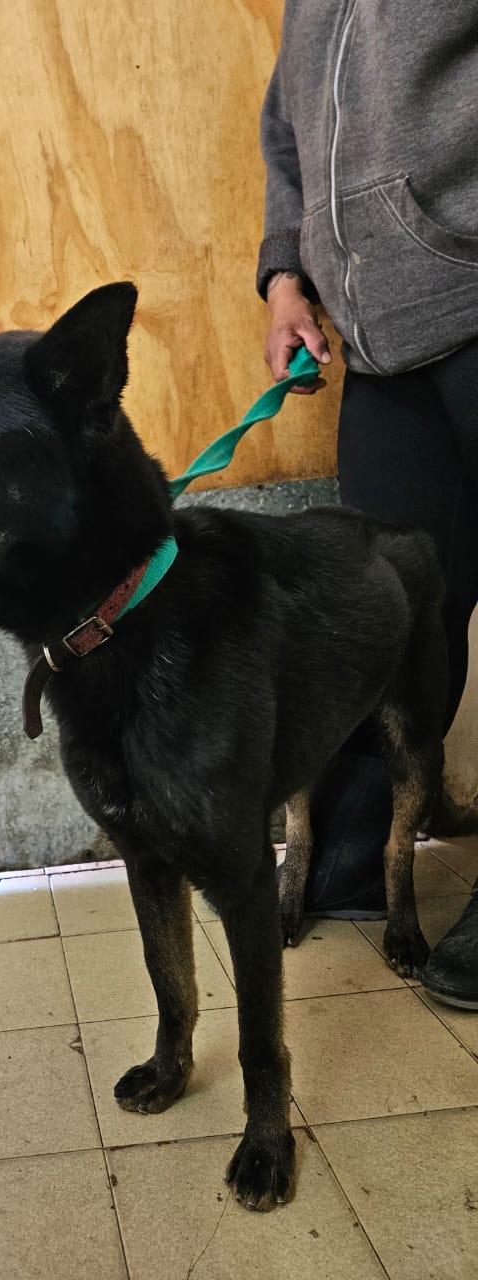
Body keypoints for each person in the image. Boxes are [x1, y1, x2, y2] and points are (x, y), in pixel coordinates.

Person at [256, 1, 478, 1009]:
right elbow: (286, 130)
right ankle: (347, 860)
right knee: (377, 615)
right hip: (385, 343)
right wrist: (285, 273)